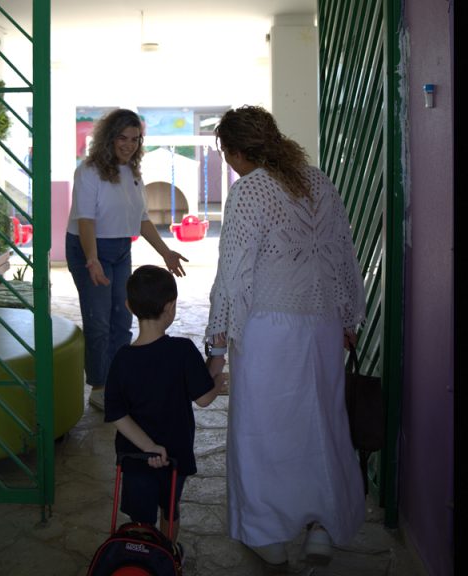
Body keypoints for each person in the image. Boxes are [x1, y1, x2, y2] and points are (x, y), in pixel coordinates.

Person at [204, 105, 367, 566]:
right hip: (322, 327)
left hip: (268, 331)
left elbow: (233, 274)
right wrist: (347, 317)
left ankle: (268, 536)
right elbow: (341, 253)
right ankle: (322, 528)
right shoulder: (319, 181)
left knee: (264, 431)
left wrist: (217, 346)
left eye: (227, 153)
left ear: (236, 151)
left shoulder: (249, 190)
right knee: (322, 424)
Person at [65, 108, 189, 411]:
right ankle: (99, 386)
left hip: (120, 249)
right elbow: (86, 220)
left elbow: (142, 219)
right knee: (99, 320)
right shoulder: (88, 171)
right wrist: (92, 259)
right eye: (123, 138)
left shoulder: (133, 173)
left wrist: (166, 252)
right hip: (88, 247)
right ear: (109, 138)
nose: (129, 144)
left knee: (122, 318)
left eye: (135, 139)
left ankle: (118, 380)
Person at [104, 264, 227, 550]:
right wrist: (219, 372)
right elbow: (203, 396)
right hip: (173, 453)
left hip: (135, 456)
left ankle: (142, 557)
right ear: (170, 307)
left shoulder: (121, 359)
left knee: (140, 519)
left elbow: (117, 414)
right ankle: (167, 555)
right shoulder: (182, 350)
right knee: (170, 509)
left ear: (128, 306)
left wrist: (147, 446)